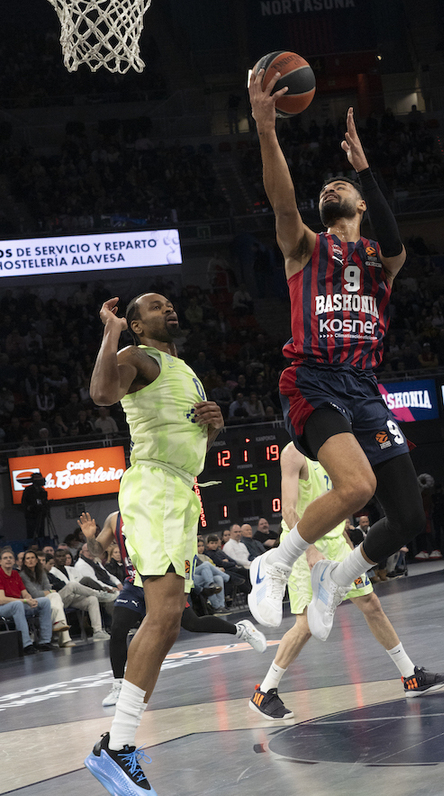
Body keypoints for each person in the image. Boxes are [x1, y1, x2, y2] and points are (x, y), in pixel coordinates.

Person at [247, 71, 424, 639]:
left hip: (364, 387)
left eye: (339, 186)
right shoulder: (305, 246)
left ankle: (338, 577)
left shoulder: (380, 258)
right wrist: (267, 130)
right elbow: (280, 199)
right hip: (313, 380)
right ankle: (275, 564)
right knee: (356, 488)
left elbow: (397, 243)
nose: (330, 189)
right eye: (324, 188)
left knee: (410, 517)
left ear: (361, 203)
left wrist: (364, 167)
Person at [84, 292, 225, 796]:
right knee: (163, 617)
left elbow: (194, 445)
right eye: (155, 306)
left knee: (166, 624)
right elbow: (101, 393)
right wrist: (111, 330)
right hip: (154, 488)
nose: (168, 309)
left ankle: (118, 745)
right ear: (137, 325)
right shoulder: (135, 355)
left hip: (180, 490)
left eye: (168, 304)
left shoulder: (184, 369)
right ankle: (118, 749)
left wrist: (214, 426)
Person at [249, 444, 444, 718]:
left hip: (335, 543)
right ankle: (265, 691)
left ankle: (410, 676)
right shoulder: (293, 453)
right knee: (306, 624)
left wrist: (345, 540)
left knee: (371, 604)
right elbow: (288, 510)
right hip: (302, 546)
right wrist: (309, 549)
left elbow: (338, 500)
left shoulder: (331, 447)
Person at [79, 510, 266, 709]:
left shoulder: (154, 508)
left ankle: (241, 630)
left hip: (161, 581)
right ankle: (118, 685)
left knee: (191, 623)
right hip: (135, 583)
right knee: (118, 628)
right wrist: (90, 536)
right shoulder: (114, 518)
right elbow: (98, 551)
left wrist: (183, 581)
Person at [45, 550, 112, 640]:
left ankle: (98, 631)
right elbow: (59, 586)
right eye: (58, 556)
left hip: (72, 597)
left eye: (63, 556)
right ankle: (99, 594)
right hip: (59, 599)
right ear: (54, 559)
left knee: (92, 599)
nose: (61, 558)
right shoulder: (52, 572)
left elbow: (81, 586)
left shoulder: (72, 569)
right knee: (72, 584)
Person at [0, 546, 53, 654]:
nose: (8, 559)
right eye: (5, 558)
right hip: (3, 607)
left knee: (44, 601)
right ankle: (26, 645)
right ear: (0, 561)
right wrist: (24, 601)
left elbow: (24, 592)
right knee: (17, 605)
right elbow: (1, 599)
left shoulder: (15, 574)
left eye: (10, 557)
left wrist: (30, 599)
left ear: (14, 561)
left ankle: (45, 642)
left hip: (18, 604)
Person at [19, 549, 75, 647]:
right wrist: (48, 592)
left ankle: (60, 629)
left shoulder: (41, 572)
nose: (31, 560)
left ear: (37, 560)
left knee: (55, 600)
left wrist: (48, 592)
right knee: (55, 597)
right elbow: (34, 593)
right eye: (28, 558)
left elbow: (47, 588)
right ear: (24, 562)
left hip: (46, 600)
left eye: (33, 558)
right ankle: (64, 638)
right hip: (33, 601)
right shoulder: (23, 575)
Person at [21, 472, 49, 540]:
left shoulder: (42, 490)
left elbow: (44, 501)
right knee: (31, 533)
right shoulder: (28, 490)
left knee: (41, 532)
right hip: (31, 516)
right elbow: (24, 503)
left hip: (41, 515)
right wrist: (30, 508)